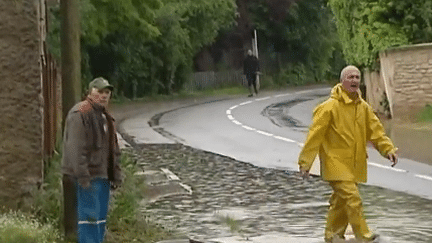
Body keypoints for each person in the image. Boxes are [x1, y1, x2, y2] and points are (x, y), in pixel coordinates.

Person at [297, 65, 398, 243]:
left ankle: (332, 236)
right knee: (353, 198)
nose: (354, 80)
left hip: (355, 164)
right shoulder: (328, 107)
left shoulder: (363, 108)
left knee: (340, 203)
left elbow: (376, 132)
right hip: (335, 163)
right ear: (342, 81)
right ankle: (363, 235)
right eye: (350, 77)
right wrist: (305, 162)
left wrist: (388, 149)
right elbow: (314, 136)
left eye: (357, 77)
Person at [61, 77, 123, 243]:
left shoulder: (106, 117)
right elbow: (75, 148)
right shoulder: (80, 113)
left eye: (107, 92)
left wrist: (116, 174)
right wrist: (83, 176)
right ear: (90, 92)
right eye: (100, 91)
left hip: (104, 176)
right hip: (88, 177)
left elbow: (113, 149)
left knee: (100, 220)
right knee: (88, 218)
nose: (104, 96)